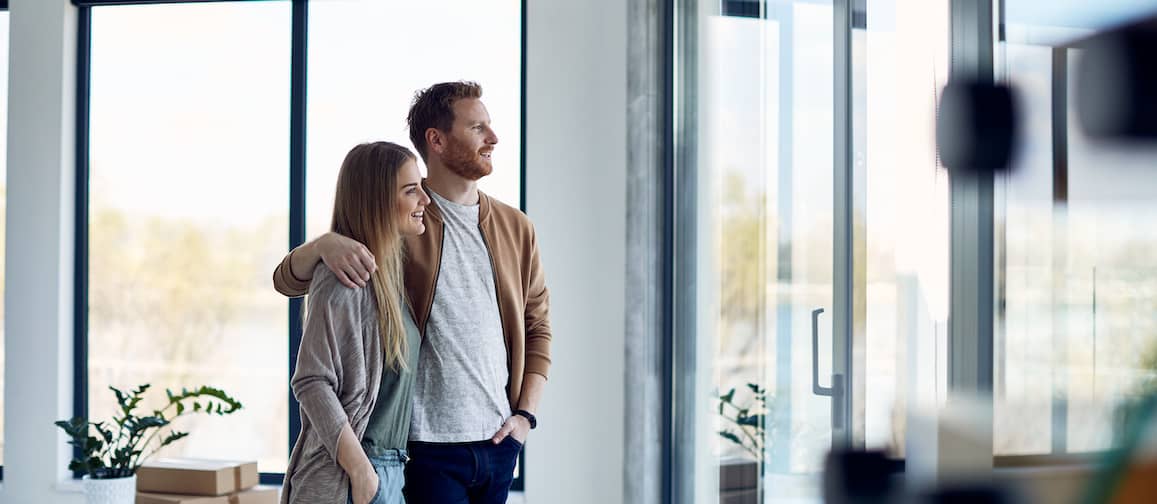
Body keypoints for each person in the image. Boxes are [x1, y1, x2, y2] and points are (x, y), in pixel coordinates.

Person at [273, 81, 552, 504]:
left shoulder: (516, 228)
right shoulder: (402, 220)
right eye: (477, 128)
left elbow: (538, 327)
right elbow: (288, 283)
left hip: (498, 446)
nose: (493, 138)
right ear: (436, 140)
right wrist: (321, 245)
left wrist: (525, 417)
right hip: (422, 451)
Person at [281, 141, 430, 504]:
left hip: (389, 470)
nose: (424, 200)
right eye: (411, 191)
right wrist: (361, 470)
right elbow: (312, 381)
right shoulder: (343, 278)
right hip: (350, 475)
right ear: (378, 200)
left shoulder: (389, 277)